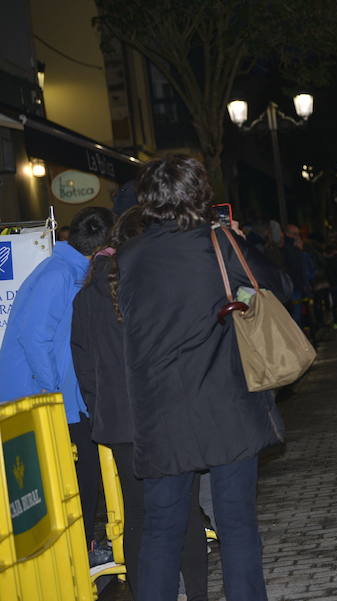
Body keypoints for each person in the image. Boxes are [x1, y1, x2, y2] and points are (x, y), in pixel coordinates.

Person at [116, 155, 289, 600]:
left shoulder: (130, 256)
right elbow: (277, 288)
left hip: (161, 411)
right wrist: (241, 246)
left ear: (148, 199)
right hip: (223, 403)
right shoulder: (216, 243)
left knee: (160, 531)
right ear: (198, 194)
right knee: (236, 525)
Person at [71, 206, 209, 600]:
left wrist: (103, 411)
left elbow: (85, 370)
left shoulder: (84, 300)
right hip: (167, 416)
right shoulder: (153, 288)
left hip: (119, 424)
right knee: (185, 513)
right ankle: (197, 594)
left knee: (138, 516)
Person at [0, 206, 113, 550]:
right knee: (76, 473)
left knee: (84, 469)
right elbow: (35, 336)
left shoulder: (68, 268)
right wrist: (54, 392)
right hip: (38, 396)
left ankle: (84, 543)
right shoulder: (60, 273)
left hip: (54, 393)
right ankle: (81, 546)